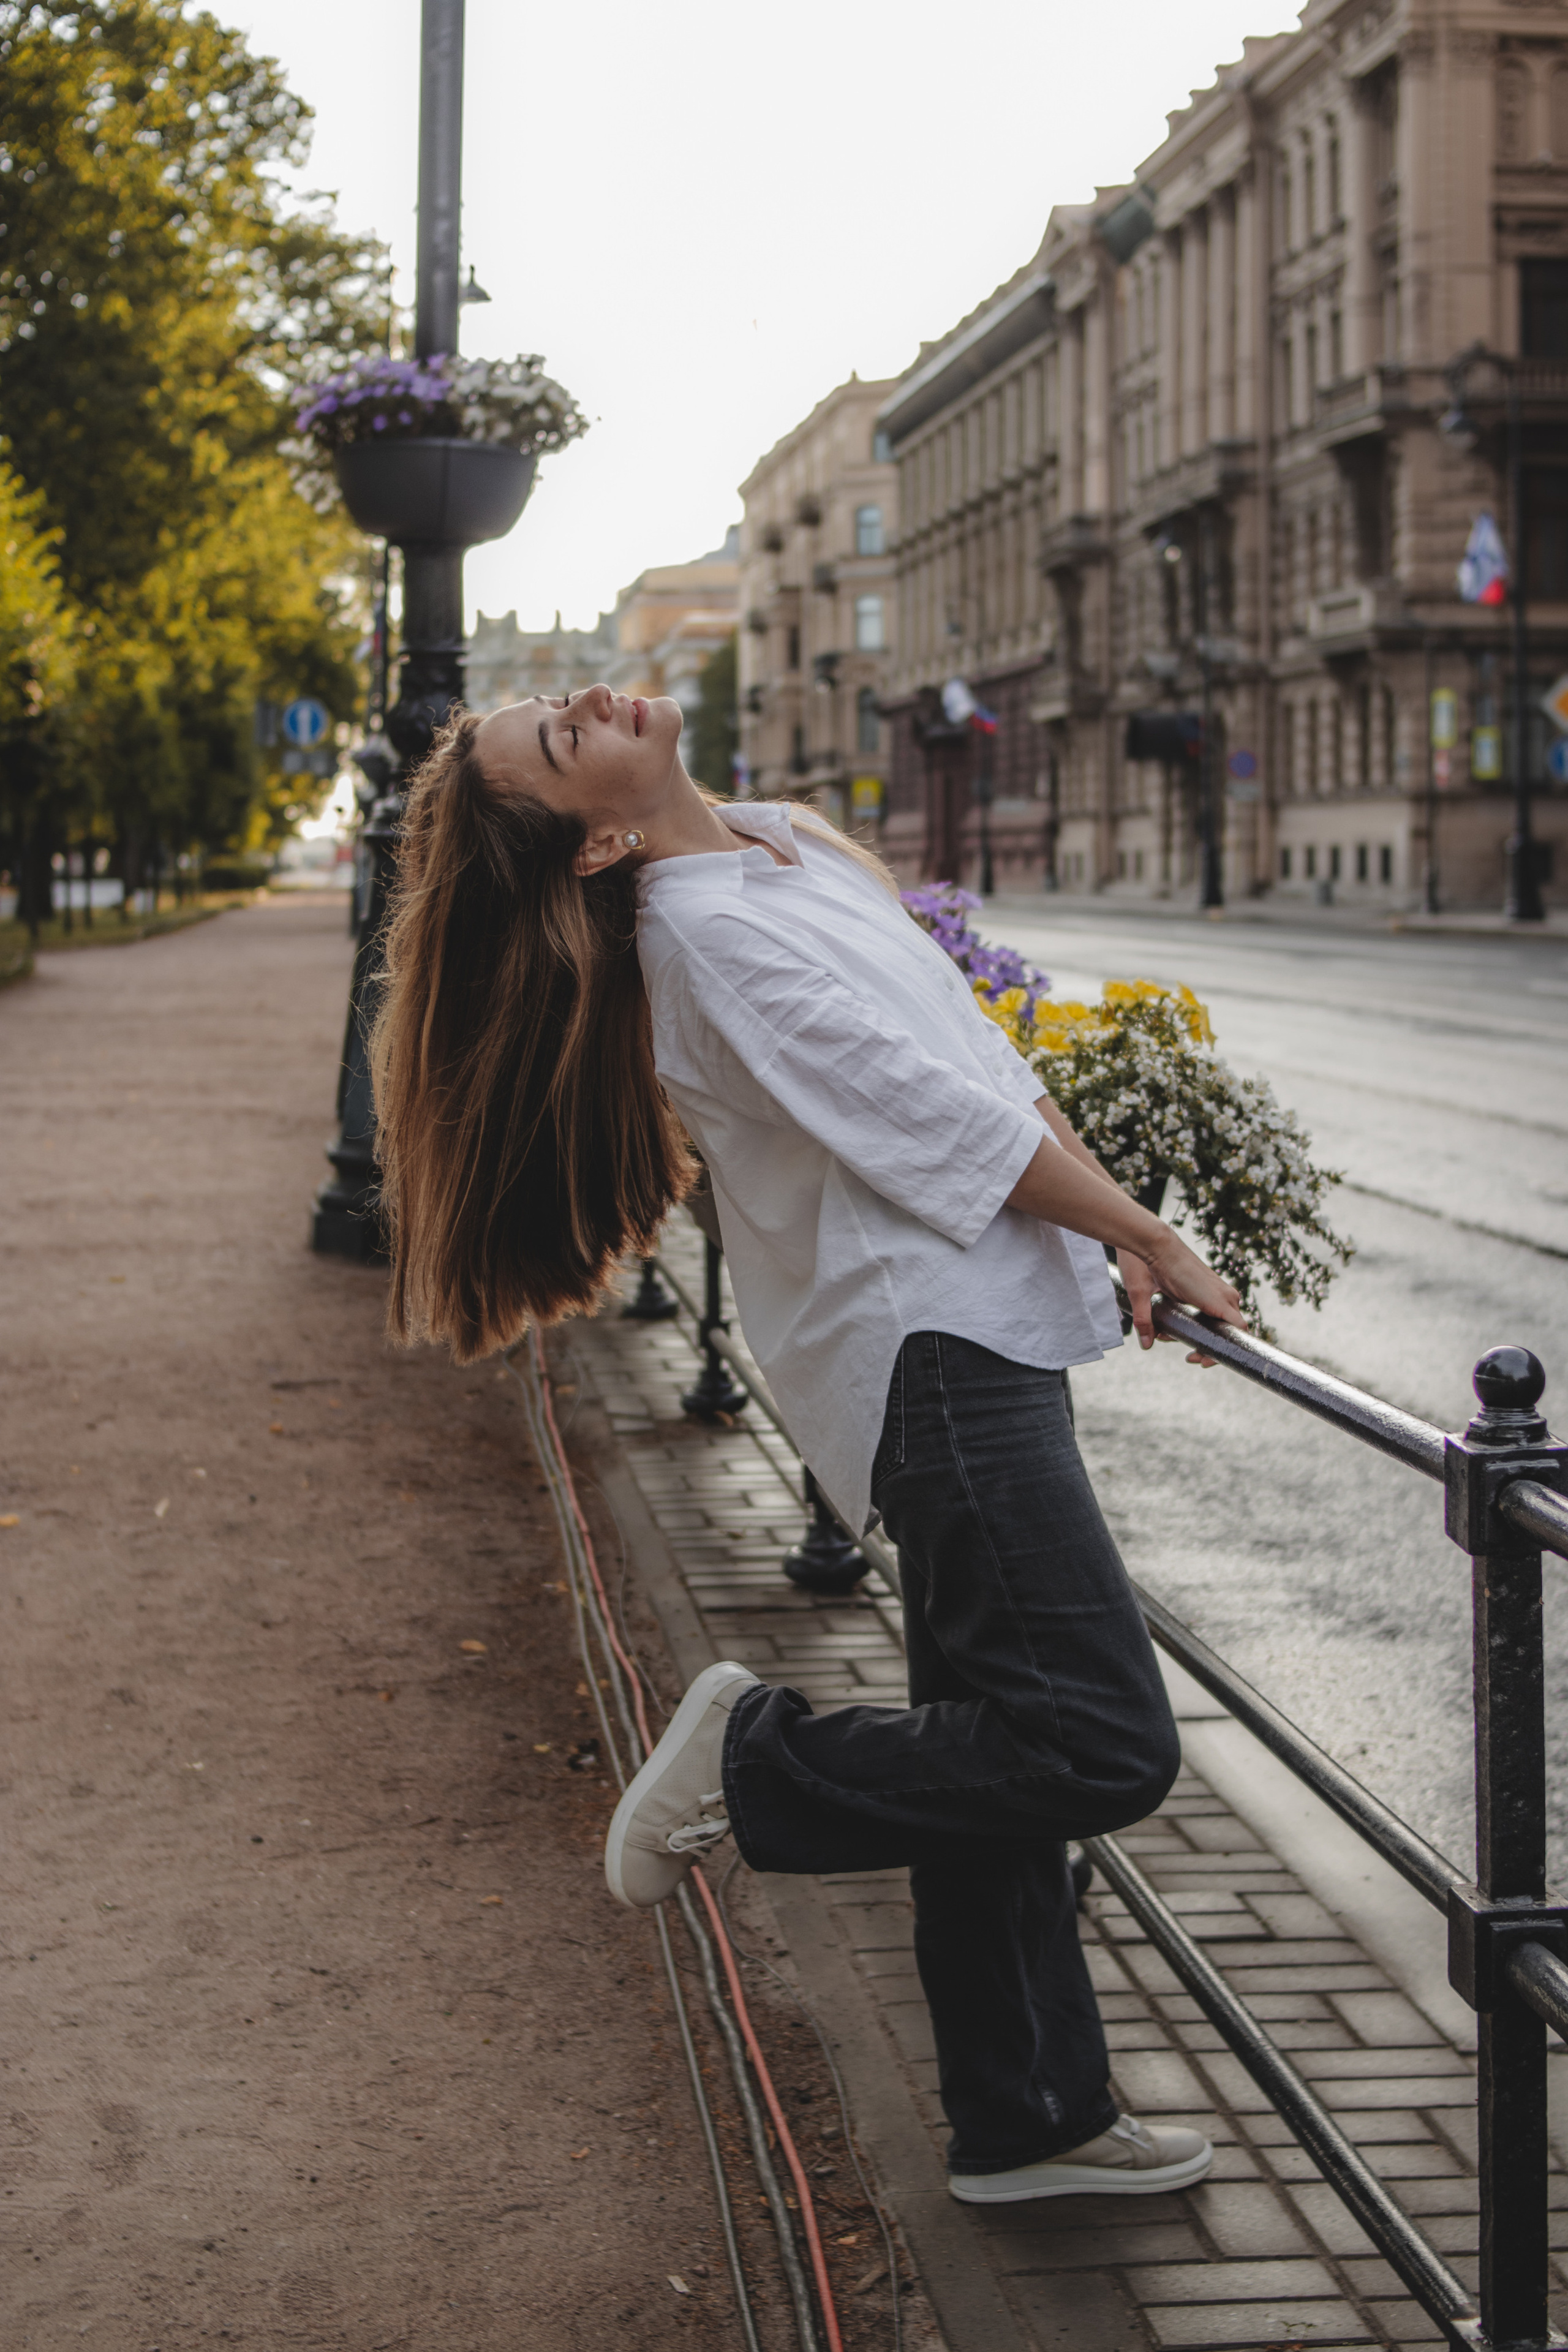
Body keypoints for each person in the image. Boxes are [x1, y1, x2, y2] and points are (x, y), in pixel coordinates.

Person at [371, 684, 1248, 2206]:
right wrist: (1146, 1235)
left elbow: (980, 1059)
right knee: (1095, 1738)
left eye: (555, 697)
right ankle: (750, 1762)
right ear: (592, 849)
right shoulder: (705, 939)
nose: (587, 698)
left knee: (993, 1743)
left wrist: (1113, 1228)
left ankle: (1025, 2118)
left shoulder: (779, 848)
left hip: (978, 1324)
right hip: (931, 1350)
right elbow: (931, 1123)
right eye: (564, 741)